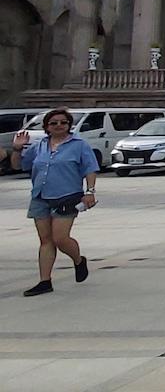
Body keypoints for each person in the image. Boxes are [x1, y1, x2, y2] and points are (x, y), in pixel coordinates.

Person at [9, 107, 98, 297]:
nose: (59, 126)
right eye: (54, 123)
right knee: (45, 240)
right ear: (46, 127)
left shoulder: (79, 145)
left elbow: (90, 169)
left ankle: (78, 260)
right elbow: (18, 166)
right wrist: (17, 148)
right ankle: (45, 281)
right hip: (41, 196)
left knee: (60, 238)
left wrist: (90, 192)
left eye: (63, 122)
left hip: (67, 196)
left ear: (69, 125)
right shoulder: (40, 145)